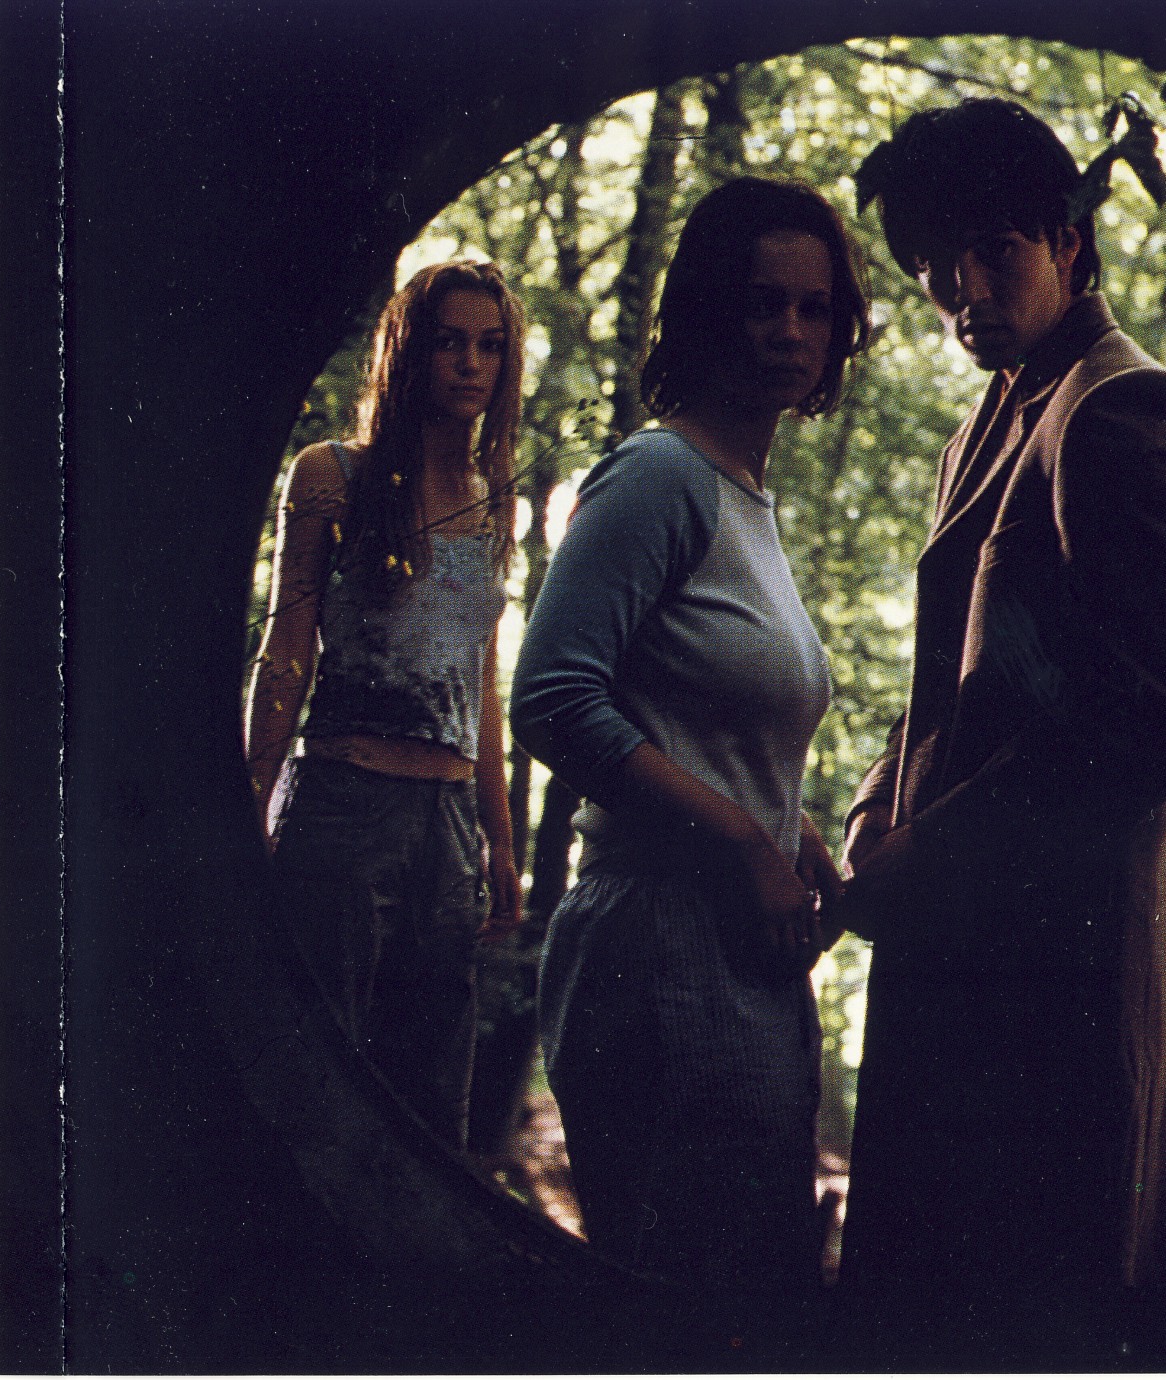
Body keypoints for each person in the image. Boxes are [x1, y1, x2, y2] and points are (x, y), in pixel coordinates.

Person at [835, 99, 1166, 1362]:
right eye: (932, 264)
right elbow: (954, 683)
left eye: (992, 251)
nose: (962, 290)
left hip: (1056, 989)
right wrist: (871, 811)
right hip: (960, 963)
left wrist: (933, 852)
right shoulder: (993, 417)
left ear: (1070, 240)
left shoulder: (1121, 407)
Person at [509, 177, 870, 1340]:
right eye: (763, 303)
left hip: (736, 950)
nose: (791, 332)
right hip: (653, 941)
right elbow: (551, 698)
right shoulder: (657, 477)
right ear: (708, 311)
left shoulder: (746, 499)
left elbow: (705, 723)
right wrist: (743, 841)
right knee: (685, 1318)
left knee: (754, 1297)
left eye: (815, 309)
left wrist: (792, 834)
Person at [246, 260, 526, 1150]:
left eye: (490, 345)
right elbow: (286, 649)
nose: (470, 364)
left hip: (447, 826)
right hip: (343, 804)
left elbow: (478, 682)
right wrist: (249, 798)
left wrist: (499, 841)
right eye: (449, 342)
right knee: (315, 1076)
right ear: (408, 352)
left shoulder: (490, 501)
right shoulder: (334, 475)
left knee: (432, 1105)